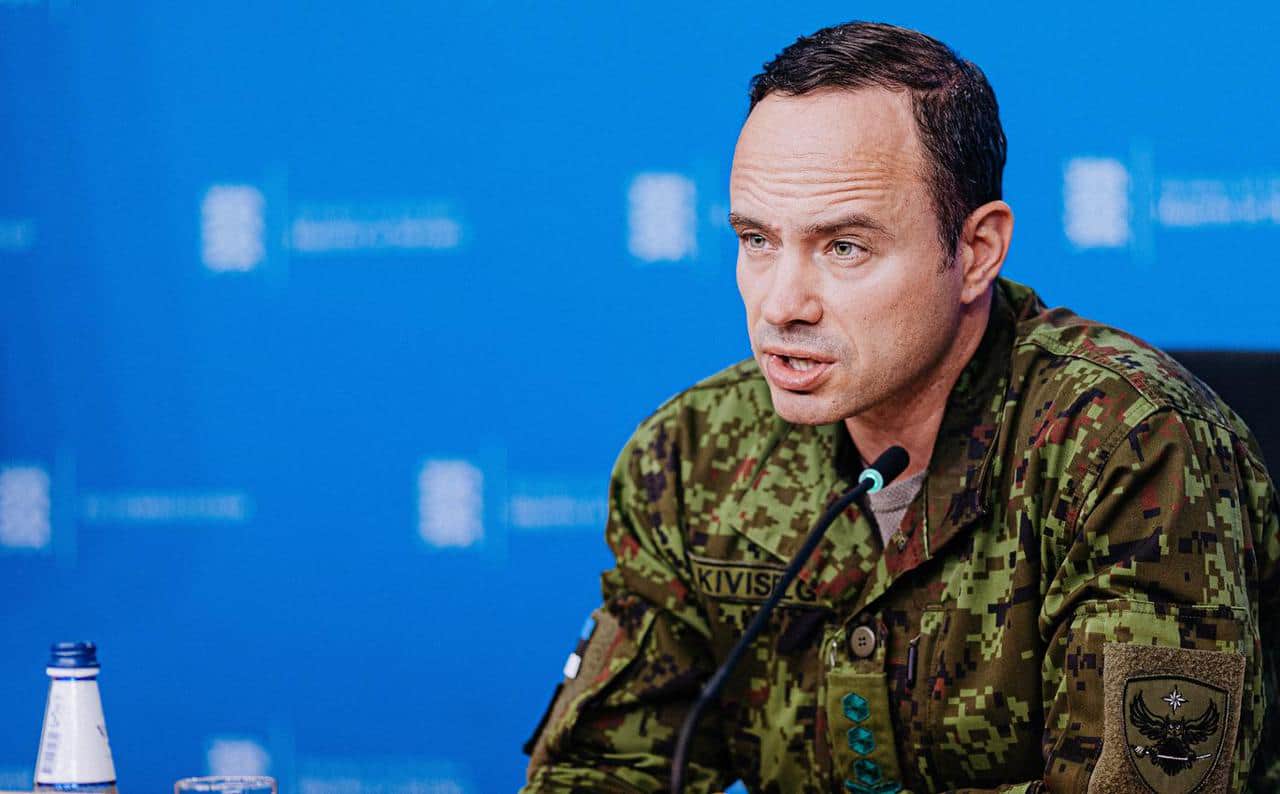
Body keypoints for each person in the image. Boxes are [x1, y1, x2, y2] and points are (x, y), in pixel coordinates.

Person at [521, 20, 1279, 794]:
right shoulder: (691, 455)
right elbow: (598, 772)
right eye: (757, 240)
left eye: (844, 247)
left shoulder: (1130, 447)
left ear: (976, 251)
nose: (780, 304)